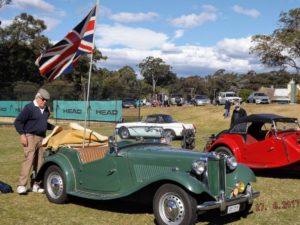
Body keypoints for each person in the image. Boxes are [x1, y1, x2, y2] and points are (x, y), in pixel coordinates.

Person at [14, 88, 55, 195]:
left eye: (47, 100)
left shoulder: (46, 110)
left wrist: (55, 127)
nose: (45, 102)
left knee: (40, 162)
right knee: (29, 159)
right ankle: (21, 185)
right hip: (30, 136)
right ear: (37, 98)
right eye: (43, 99)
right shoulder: (29, 107)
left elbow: (44, 124)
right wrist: (22, 135)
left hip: (42, 138)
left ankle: (36, 185)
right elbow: (18, 122)